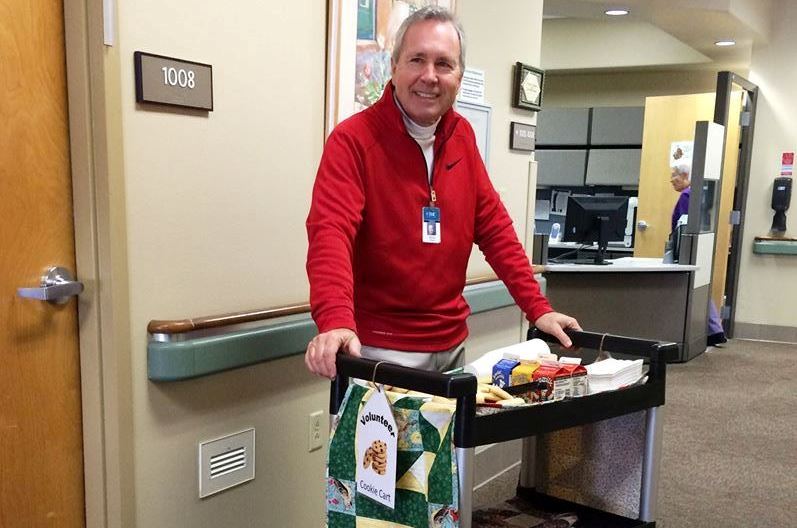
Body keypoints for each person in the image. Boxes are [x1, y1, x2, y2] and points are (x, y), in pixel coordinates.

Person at [304, 7, 580, 379]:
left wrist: (538, 308)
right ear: (394, 66)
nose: (429, 76)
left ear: (459, 76)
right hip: (378, 351)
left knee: (452, 441)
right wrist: (335, 319)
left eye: (444, 64)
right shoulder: (353, 141)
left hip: (450, 348)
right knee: (379, 442)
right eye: (417, 60)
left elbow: (494, 228)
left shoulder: (461, 136)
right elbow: (330, 233)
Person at [670, 163, 728, 346]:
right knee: (700, 285)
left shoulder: (687, 196)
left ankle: (713, 330)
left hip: (687, 248)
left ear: (686, 175)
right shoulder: (699, 193)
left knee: (690, 286)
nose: (671, 180)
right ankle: (715, 329)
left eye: (675, 176)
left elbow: (684, 225)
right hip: (700, 247)